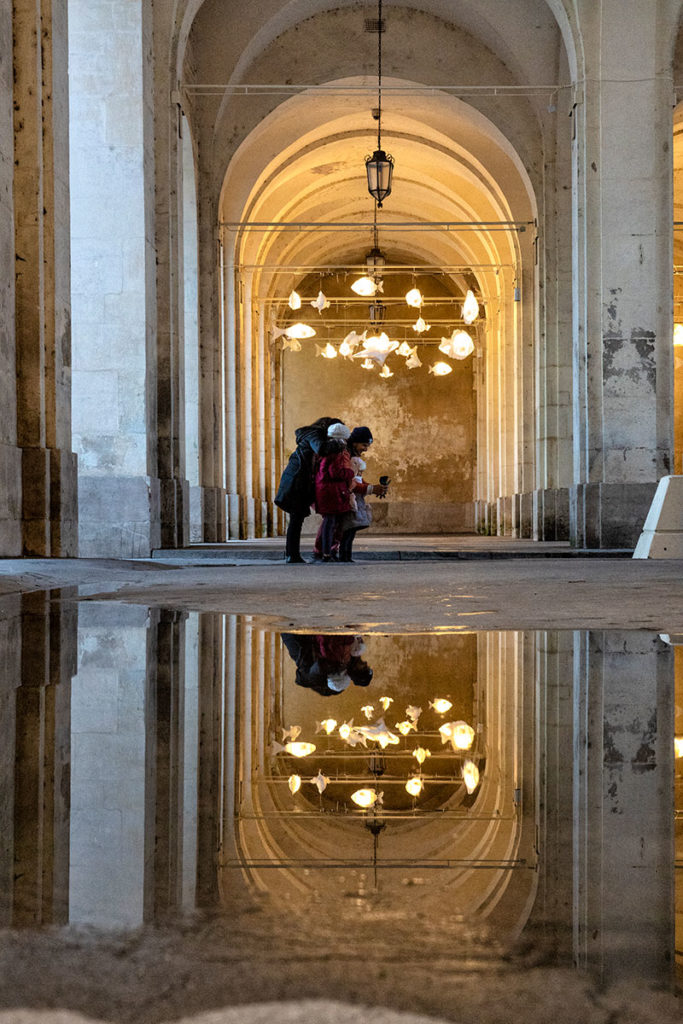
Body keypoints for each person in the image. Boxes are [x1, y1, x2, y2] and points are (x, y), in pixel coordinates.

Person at [312, 425, 388, 562]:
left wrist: (369, 487)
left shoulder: (338, 453)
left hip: (335, 493)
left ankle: (330, 552)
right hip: (338, 494)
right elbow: (349, 481)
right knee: (341, 526)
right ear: (353, 442)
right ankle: (329, 553)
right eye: (364, 445)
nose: (365, 449)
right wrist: (369, 488)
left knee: (336, 525)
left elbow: (355, 479)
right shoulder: (343, 454)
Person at [275, 416, 343, 562]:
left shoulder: (313, 434)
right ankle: (291, 555)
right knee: (295, 519)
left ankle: (292, 555)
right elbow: (321, 448)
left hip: (300, 482)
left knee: (297, 519)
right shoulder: (314, 434)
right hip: (296, 481)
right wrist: (339, 444)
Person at [313, 422, 356, 561]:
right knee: (330, 523)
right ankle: (326, 553)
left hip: (325, 490)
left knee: (329, 522)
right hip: (332, 491)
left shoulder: (325, 450)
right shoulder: (337, 451)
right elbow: (335, 472)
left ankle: (326, 552)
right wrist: (350, 472)